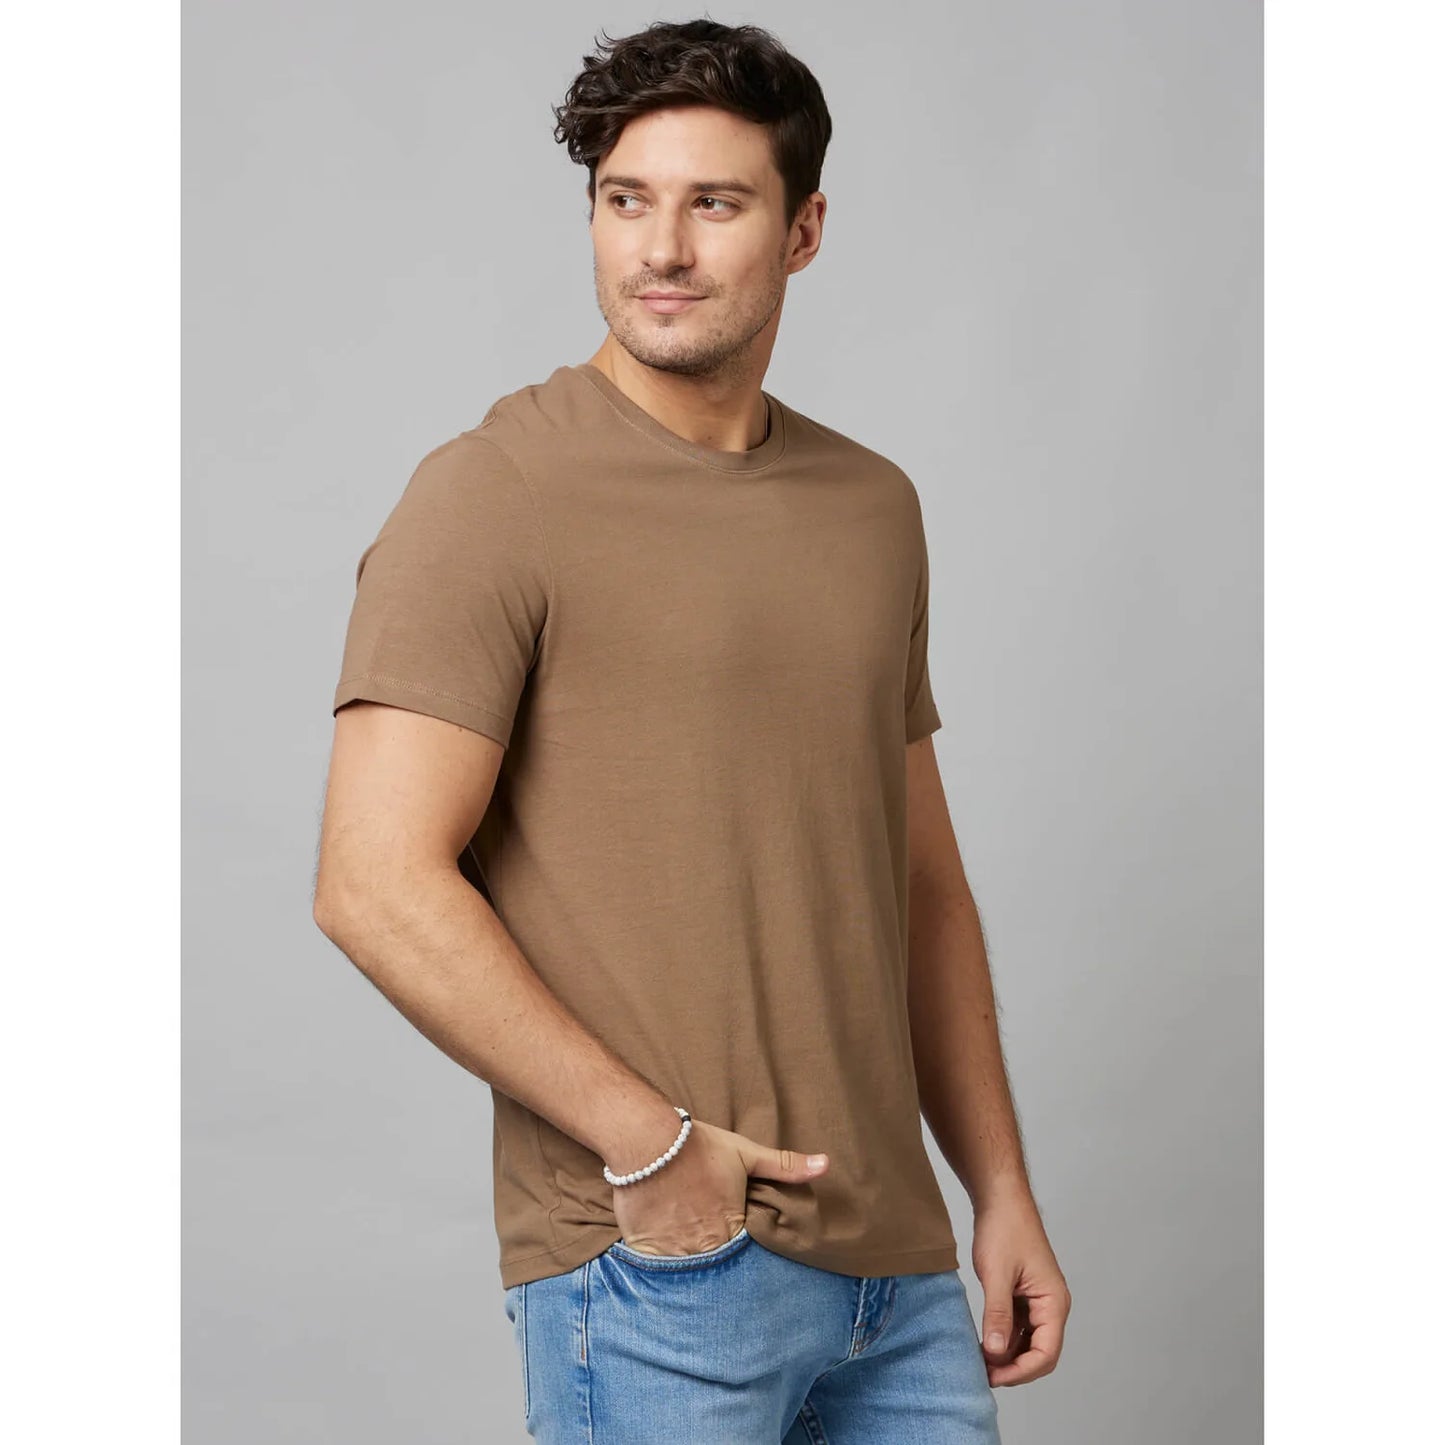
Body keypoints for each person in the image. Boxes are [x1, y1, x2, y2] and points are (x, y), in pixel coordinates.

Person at [314, 17, 1069, 1443]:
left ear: (804, 231)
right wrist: (648, 1146)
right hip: (659, 1265)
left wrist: (999, 1189)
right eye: (625, 200)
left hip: (901, 1282)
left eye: (714, 203)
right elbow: (371, 880)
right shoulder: (493, 492)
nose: (659, 248)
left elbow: (920, 883)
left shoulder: (871, 507)